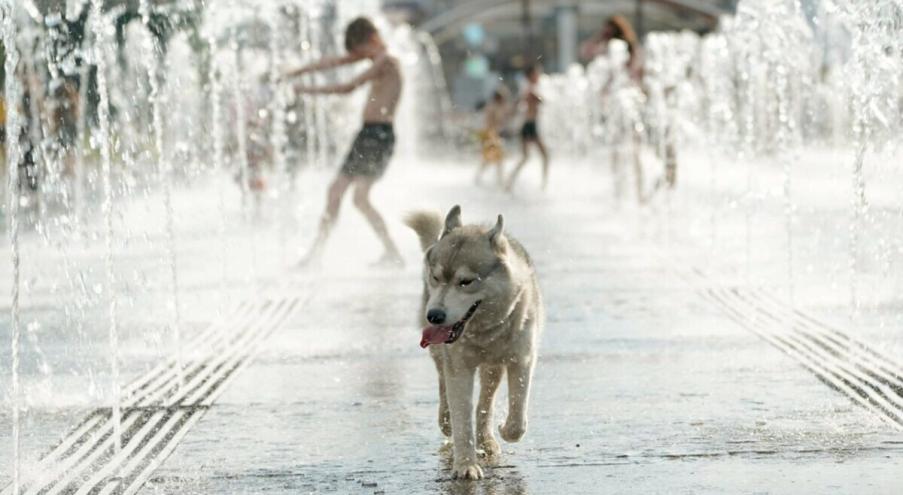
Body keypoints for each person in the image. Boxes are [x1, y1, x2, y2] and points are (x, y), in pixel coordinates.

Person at [284, 17, 404, 268]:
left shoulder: (387, 60)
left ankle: (390, 252)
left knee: (353, 196)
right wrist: (297, 72)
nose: (360, 58)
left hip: (379, 135)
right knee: (344, 194)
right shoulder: (376, 57)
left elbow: (348, 87)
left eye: (361, 53)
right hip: (368, 134)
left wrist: (304, 90)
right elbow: (335, 61)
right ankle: (318, 253)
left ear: (372, 40)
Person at [505, 65, 550, 192]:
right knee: (541, 156)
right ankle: (543, 185)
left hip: (529, 125)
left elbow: (519, 103)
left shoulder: (529, 89)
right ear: (531, 76)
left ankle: (510, 182)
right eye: (537, 74)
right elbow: (541, 101)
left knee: (527, 157)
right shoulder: (530, 90)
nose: (539, 76)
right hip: (529, 126)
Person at [474, 87, 510, 186]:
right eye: (503, 97)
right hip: (490, 135)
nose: (505, 99)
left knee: (494, 158)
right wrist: (491, 137)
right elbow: (489, 123)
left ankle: (484, 178)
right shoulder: (492, 107)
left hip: (493, 135)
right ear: (498, 97)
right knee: (492, 158)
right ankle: (496, 179)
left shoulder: (498, 107)